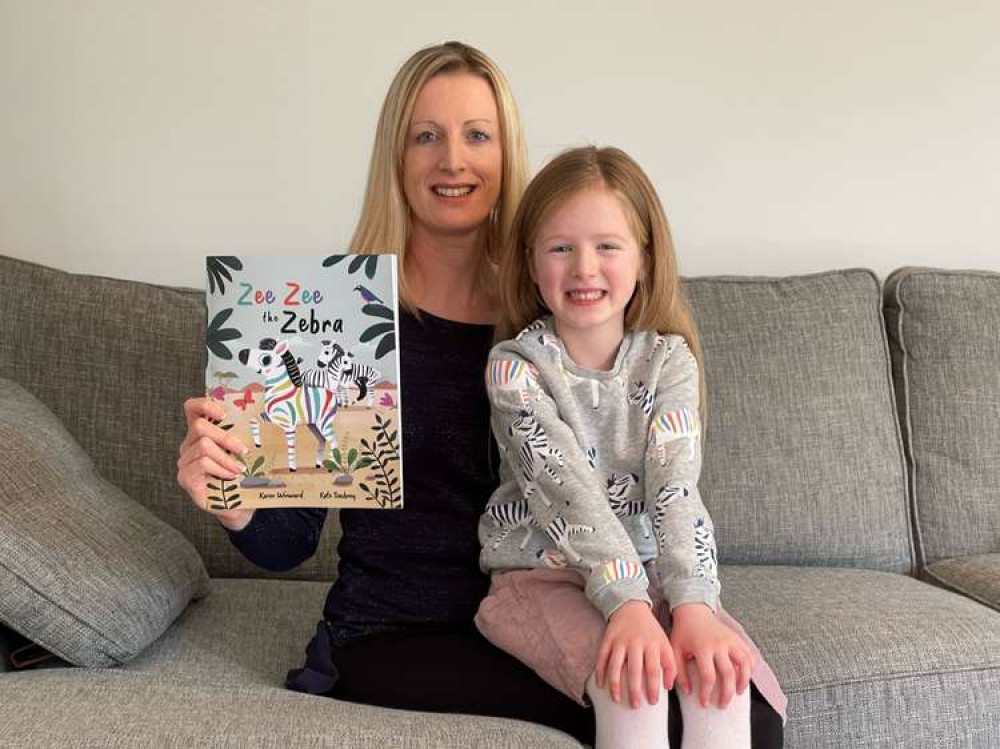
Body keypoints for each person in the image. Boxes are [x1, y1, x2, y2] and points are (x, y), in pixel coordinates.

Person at [176, 41, 784, 746]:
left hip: (563, 599)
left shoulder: (557, 309)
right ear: (395, 158)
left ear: (507, 153)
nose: (452, 160)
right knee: (654, 706)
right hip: (400, 630)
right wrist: (235, 495)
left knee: (746, 714)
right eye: (426, 136)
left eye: (477, 136)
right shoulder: (337, 317)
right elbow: (289, 543)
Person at [474, 146, 788, 748]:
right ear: (532, 263)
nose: (584, 267)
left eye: (607, 246)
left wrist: (692, 604)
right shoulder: (514, 370)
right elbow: (565, 493)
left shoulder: (669, 361)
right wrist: (627, 608)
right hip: (541, 578)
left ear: (644, 258)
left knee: (720, 688)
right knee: (635, 687)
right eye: (561, 247)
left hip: (654, 576)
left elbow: (674, 487)